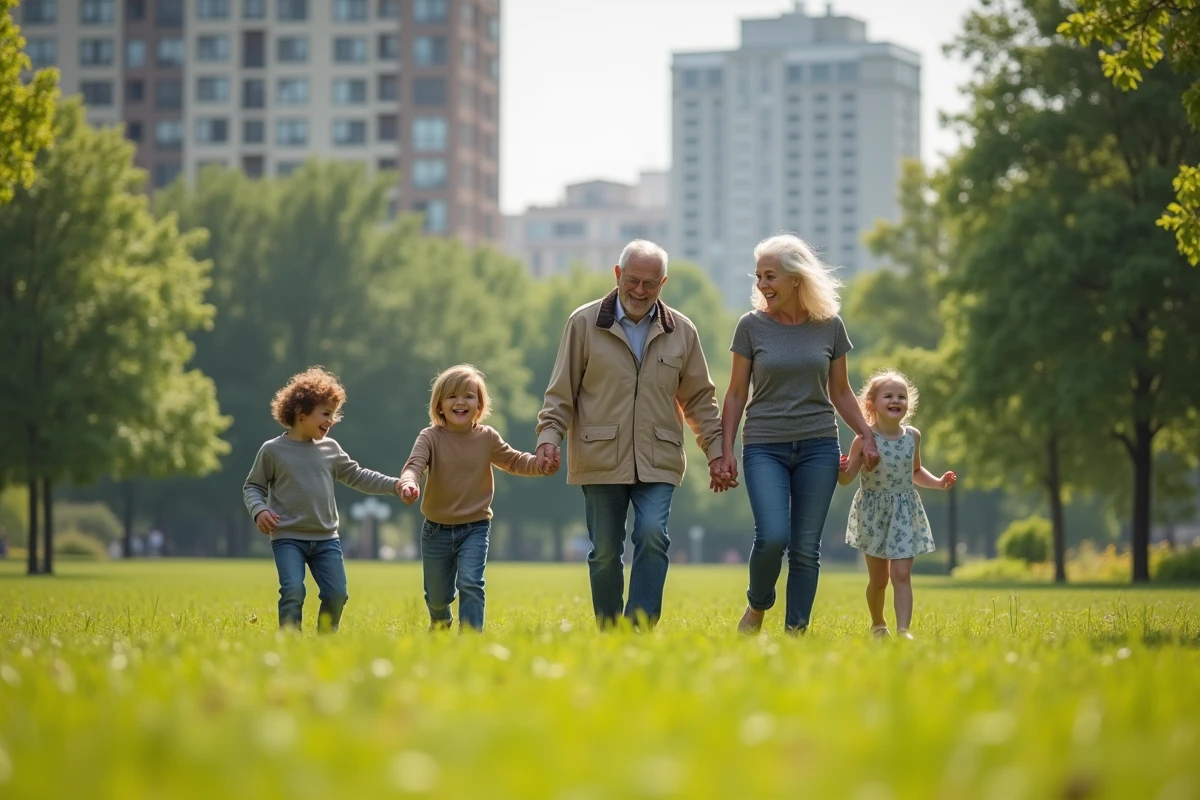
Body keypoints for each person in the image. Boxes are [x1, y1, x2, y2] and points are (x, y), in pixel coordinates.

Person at [535, 239, 733, 628]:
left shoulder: (683, 331)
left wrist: (717, 452)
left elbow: (699, 400)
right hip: (599, 456)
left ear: (663, 283)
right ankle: (610, 628)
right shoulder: (583, 324)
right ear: (617, 274)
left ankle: (639, 628)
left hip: (658, 457)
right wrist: (548, 439)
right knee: (606, 551)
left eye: (650, 283)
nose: (639, 291)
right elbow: (561, 393)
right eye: (633, 281)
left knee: (652, 534)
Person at [722, 233, 881, 635]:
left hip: (818, 446)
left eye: (770, 276)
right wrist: (724, 449)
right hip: (764, 447)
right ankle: (758, 607)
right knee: (773, 536)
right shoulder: (751, 327)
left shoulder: (829, 327)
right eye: (758, 276)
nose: (762, 285)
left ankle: (796, 632)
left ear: (796, 279)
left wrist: (867, 433)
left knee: (806, 548)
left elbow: (841, 391)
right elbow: (736, 392)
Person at [243, 366, 402, 633]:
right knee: (293, 589)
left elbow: (358, 475)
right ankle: (290, 640)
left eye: (334, 414)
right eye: (326, 413)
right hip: (288, 537)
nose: (332, 420)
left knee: (337, 594)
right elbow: (253, 486)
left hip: (326, 539)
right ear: (301, 413)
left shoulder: (330, 449)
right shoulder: (272, 450)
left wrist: (395, 485)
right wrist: (259, 510)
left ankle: (326, 640)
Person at [399, 364, 552, 631]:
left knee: (470, 582)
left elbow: (514, 461)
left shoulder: (487, 437)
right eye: (452, 396)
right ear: (440, 405)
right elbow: (415, 465)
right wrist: (409, 481)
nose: (460, 402)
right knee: (437, 597)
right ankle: (440, 619)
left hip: (475, 527)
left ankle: (470, 636)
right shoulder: (430, 437)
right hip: (436, 529)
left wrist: (539, 464)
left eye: (469, 396)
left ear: (479, 404)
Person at [840, 369, 957, 640]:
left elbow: (915, 472)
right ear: (871, 404)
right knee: (879, 580)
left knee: (902, 574)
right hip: (873, 514)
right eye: (889, 396)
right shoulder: (864, 438)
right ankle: (878, 624)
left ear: (908, 404)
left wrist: (939, 482)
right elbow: (847, 480)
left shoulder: (912, 436)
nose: (897, 400)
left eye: (902, 396)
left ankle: (904, 630)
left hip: (905, 511)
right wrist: (840, 468)